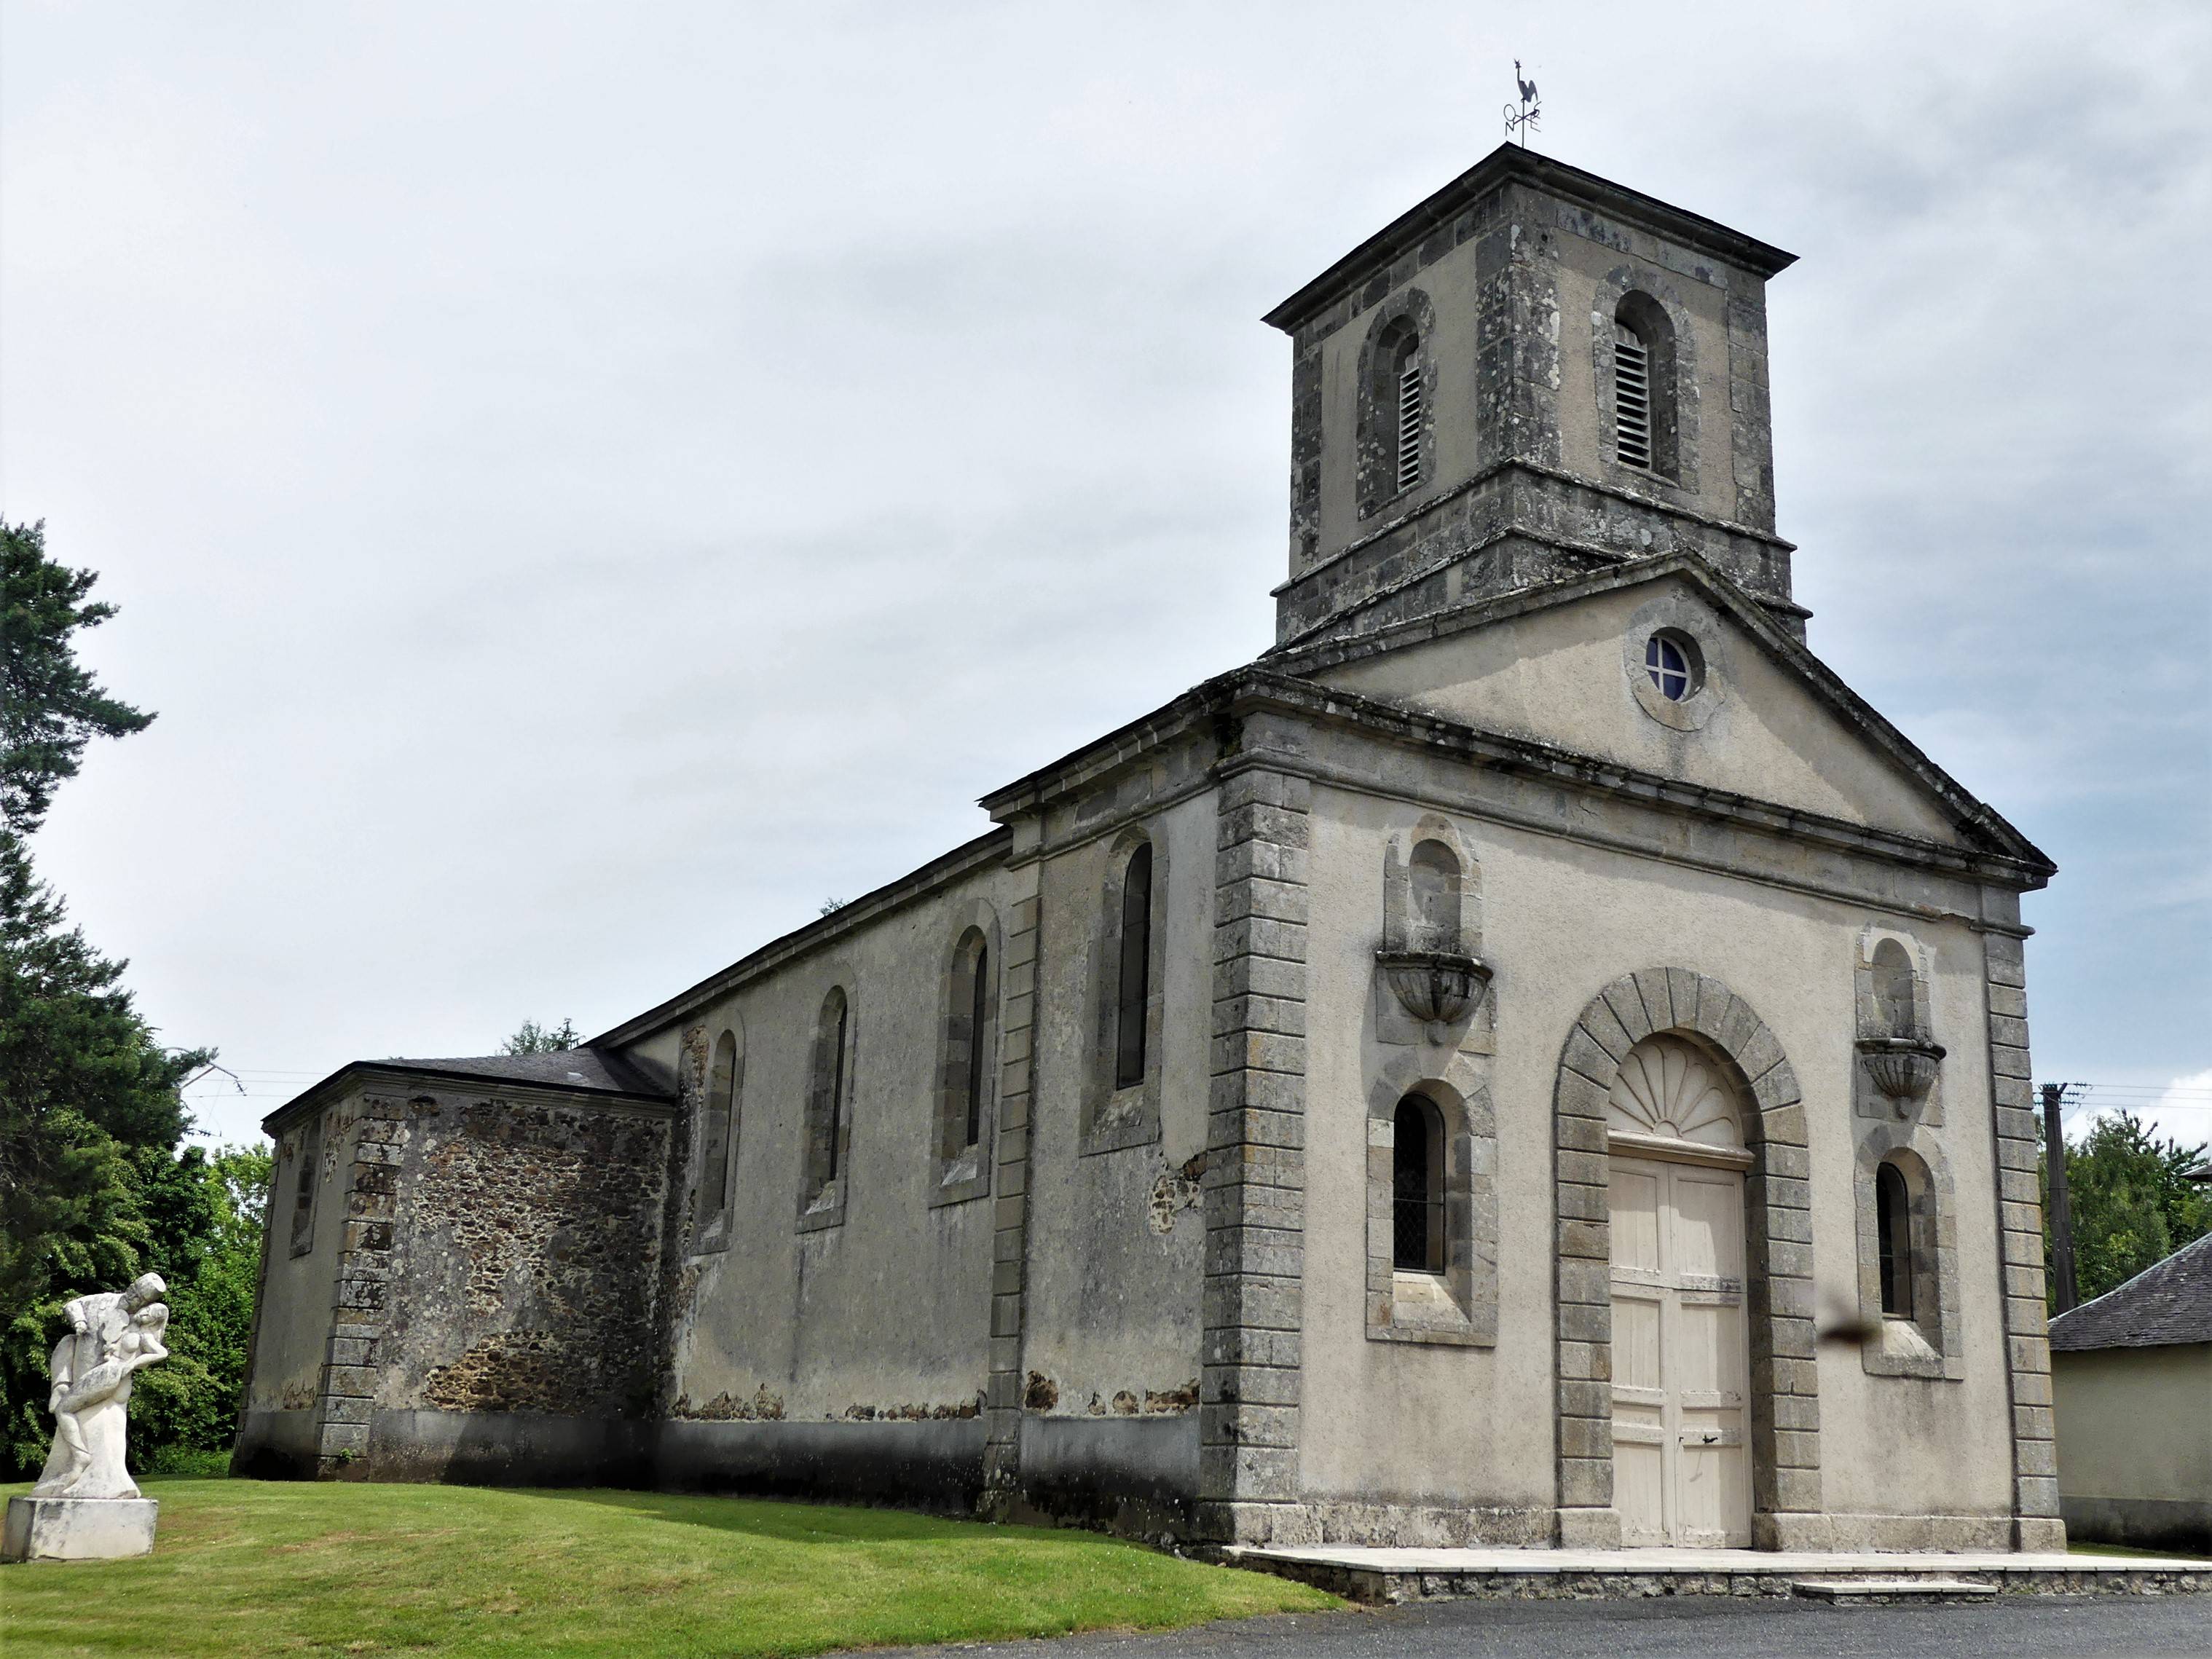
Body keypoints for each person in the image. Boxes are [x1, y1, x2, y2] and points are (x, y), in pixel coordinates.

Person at [31, 1273, 170, 1500]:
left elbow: (161, 1352)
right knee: (66, 1342)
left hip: (107, 1376)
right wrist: (79, 1321)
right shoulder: (108, 1302)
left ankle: (80, 1456)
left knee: (63, 1409)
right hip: (100, 1374)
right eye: (134, 1291)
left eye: (140, 1301)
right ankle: (61, 1385)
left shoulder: (140, 1331)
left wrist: (130, 1365)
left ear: (148, 1307)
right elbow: (74, 1305)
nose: (134, 1300)